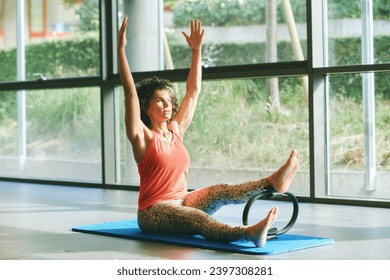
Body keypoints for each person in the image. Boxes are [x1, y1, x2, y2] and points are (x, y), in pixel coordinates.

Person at [118, 15, 299, 248]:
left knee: (220, 190)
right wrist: (121, 50)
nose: (168, 105)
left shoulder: (175, 130)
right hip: (154, 212)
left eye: (169, 101)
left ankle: (271, 183)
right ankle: (247, 232)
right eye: (160, 102)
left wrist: (196, 51)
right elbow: (130, 93)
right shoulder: (142, 136)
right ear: (146, 107)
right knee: (198, 219)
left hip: (184, 201)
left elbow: (193, 92)